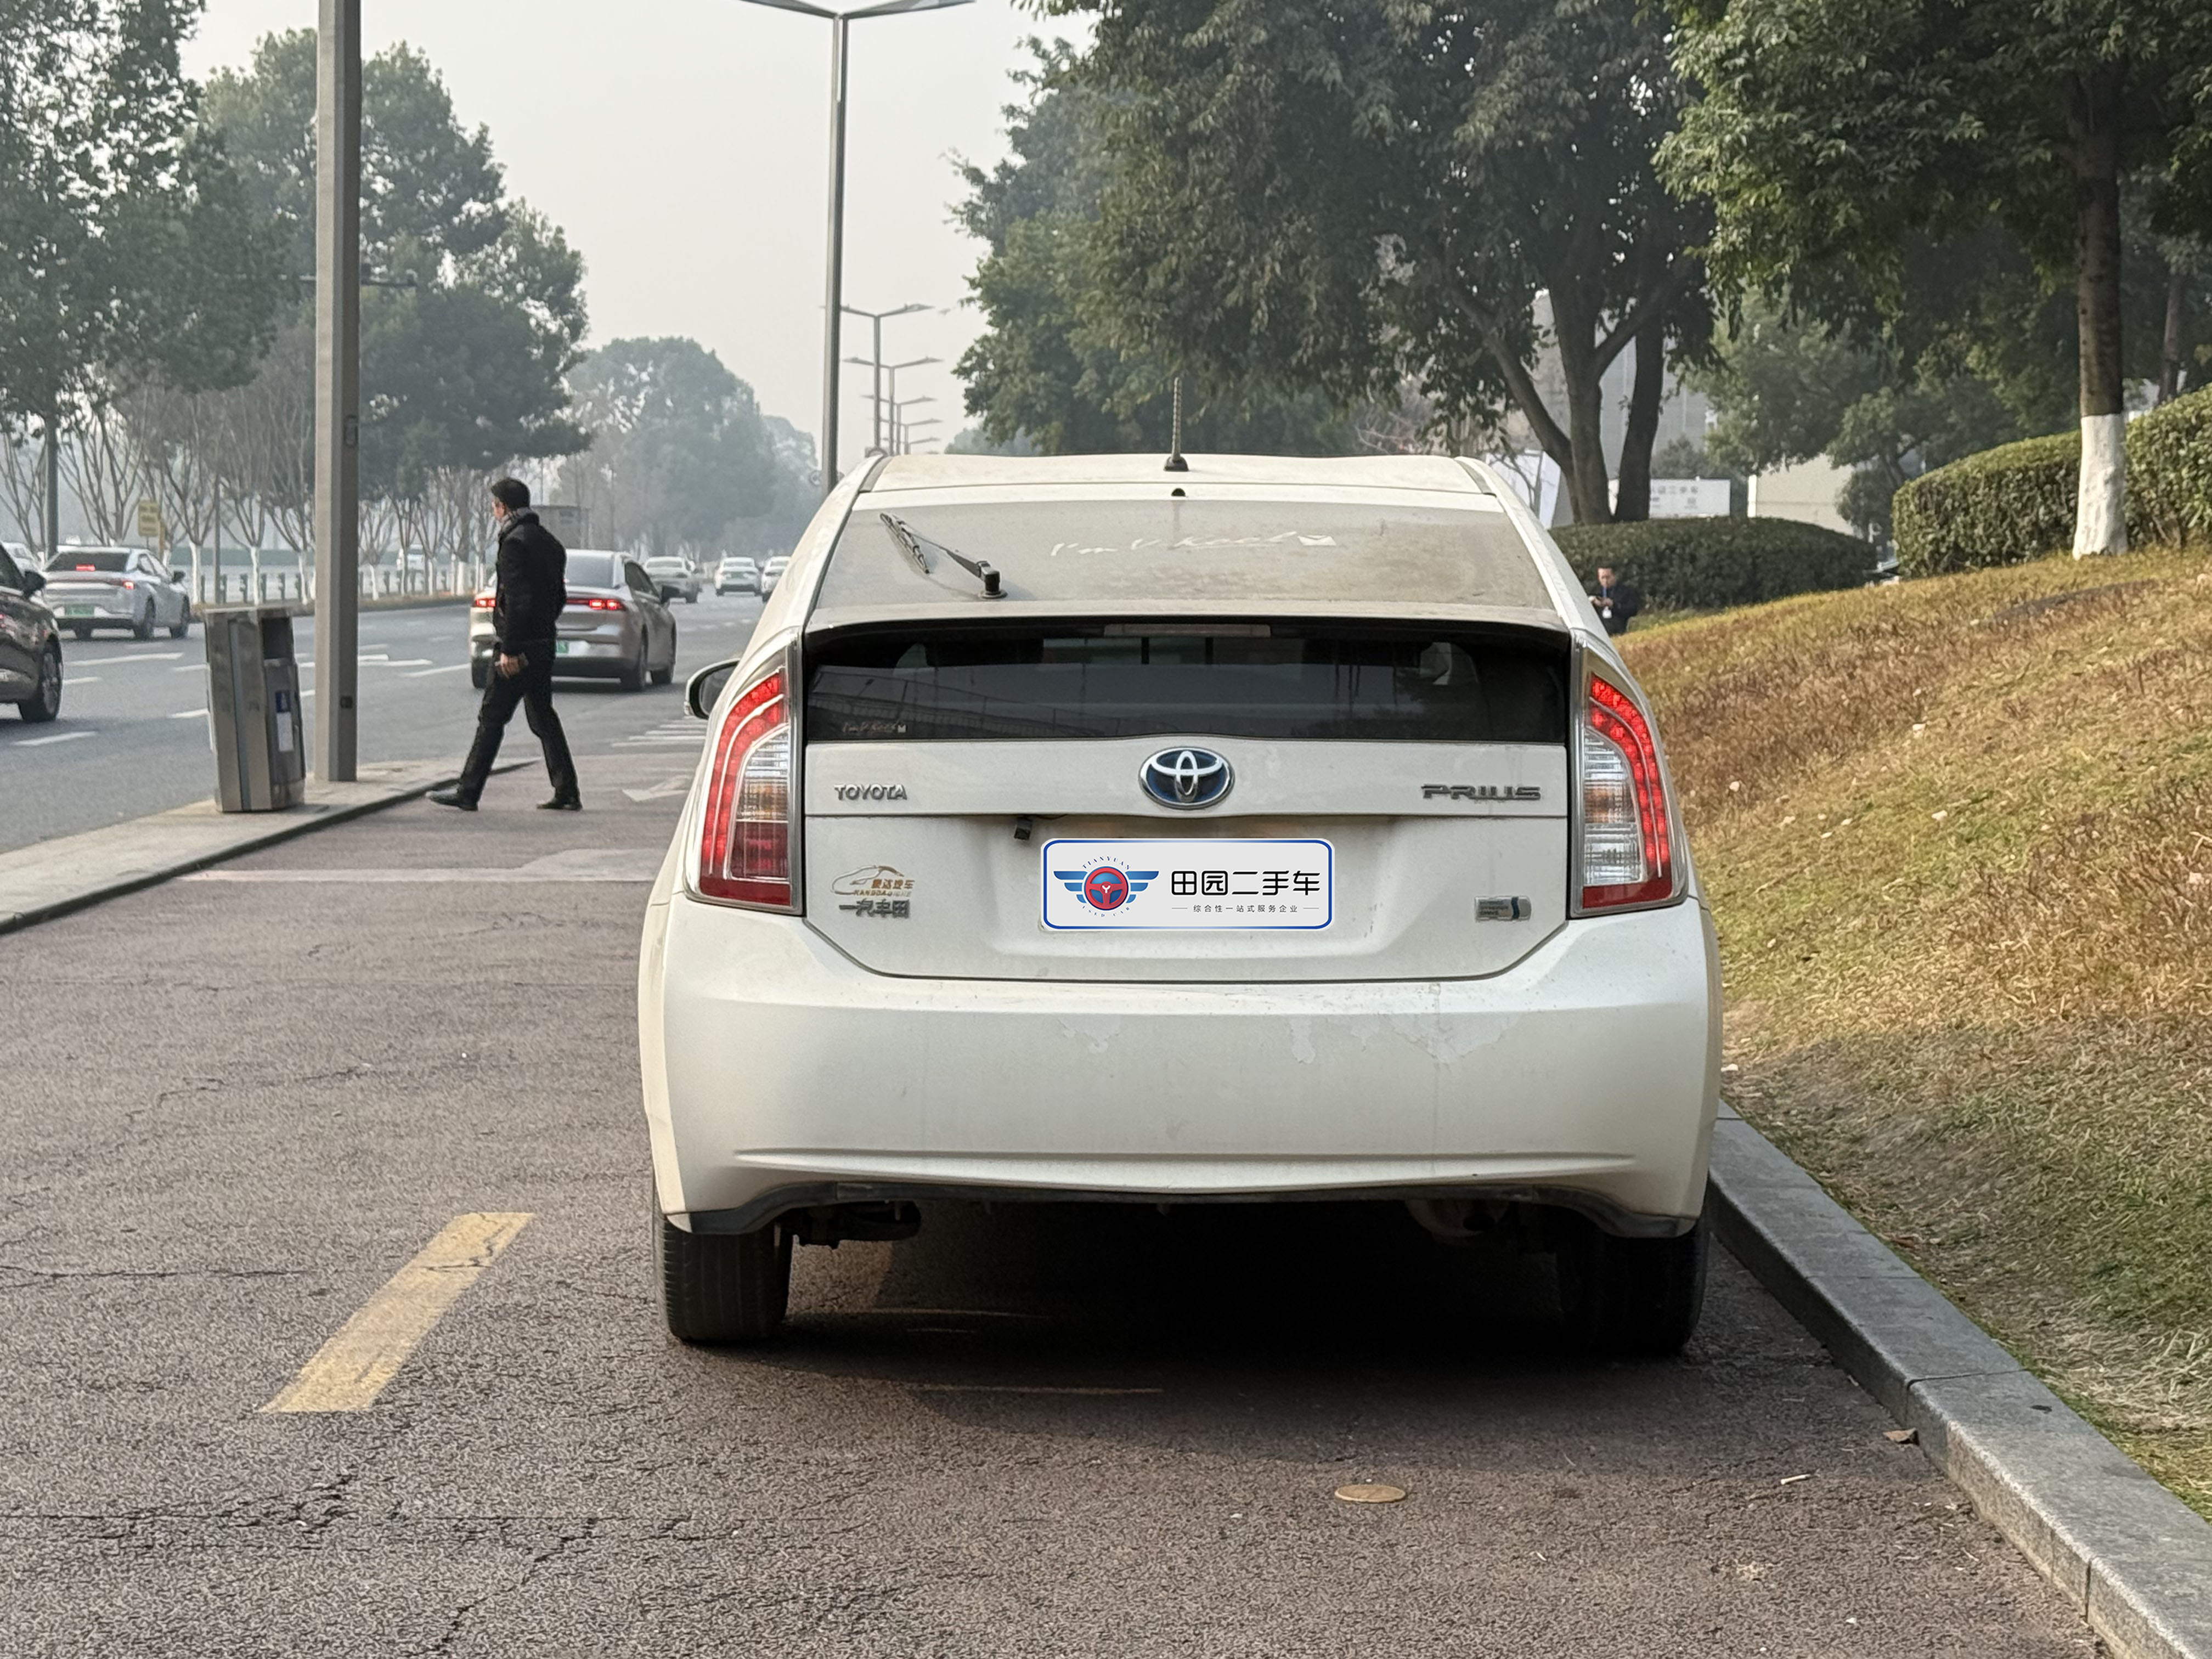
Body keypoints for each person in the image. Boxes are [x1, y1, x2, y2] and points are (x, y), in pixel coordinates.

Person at [431, 478, 580, 812]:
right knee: (543, 718)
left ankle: (468, 791)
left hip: (519, 647)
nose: (493, 511)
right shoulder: (551, 543)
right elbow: (558, 597)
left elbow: (517, 601)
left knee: (492, 718)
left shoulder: (514, 543)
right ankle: (567, 790)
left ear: (502, 507)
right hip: (543, 643)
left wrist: (510, 649)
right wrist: (544, 630)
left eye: (494, 506)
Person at [1590, 565, 1643, 637]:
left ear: (1614, 576)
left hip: (1617, 623)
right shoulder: (1595, 591)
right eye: (1603, 578)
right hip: (1599, 624)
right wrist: (1592, 602)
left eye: (1608, 577)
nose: (1605, 581)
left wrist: (1613, 605)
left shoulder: (1626, 591)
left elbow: (1633, 610)